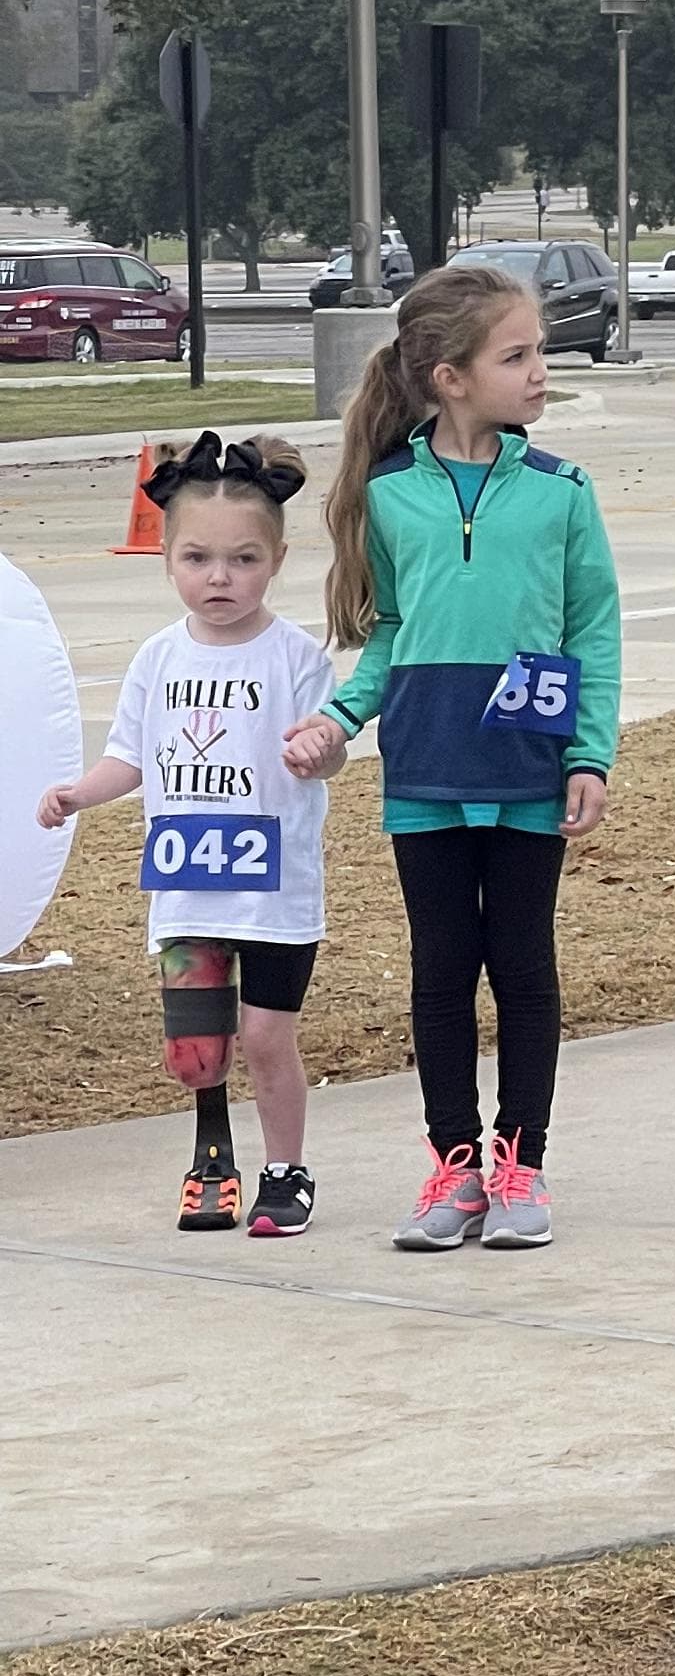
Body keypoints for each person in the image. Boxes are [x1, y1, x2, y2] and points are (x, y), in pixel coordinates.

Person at [283, 263, 620, 1255]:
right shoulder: (391, 495)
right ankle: (454, 1168)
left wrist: (588, 754)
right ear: (449, 377)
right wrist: (340, 718)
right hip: (425, 769)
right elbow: (391, 632)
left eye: (541, 354)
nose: (540, 373)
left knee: (521, 967)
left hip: (526, 767)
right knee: (441, 973)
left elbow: (593, 628)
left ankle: (522, 1163)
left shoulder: (562, 492)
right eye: (517, 356)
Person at [38, 432, 332, 1237]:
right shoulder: (158, 658)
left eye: (243, 559)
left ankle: (286, 1169)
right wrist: (76, 793)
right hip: (187, 882)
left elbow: (328, 748)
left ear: (275, 559)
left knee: (266, 1037)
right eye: (197, 559)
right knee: (196, 1051)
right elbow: (129, 758)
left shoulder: (296, 656)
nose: (219, 578)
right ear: (167, 559)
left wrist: (319, 749)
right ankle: (212, 1161)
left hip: (272, 890)